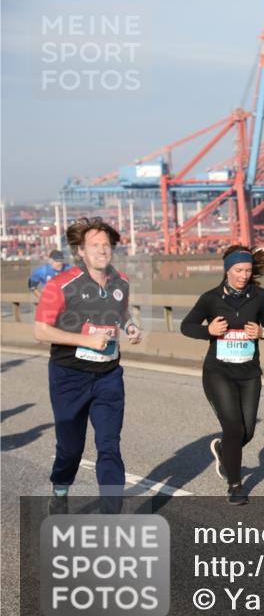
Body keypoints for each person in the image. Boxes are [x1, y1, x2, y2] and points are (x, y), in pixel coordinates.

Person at [33, 218, 142, 513]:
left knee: (109, 446)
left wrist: (130, 325)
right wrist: (84, 340)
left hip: (108, 375)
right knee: (70, 448)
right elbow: (41, 331)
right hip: (69, 376)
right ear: (80, 250)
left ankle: (110, 517)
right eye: (95, 245)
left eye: (107, 245)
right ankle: (60, 488)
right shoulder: (60, 284)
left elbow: (121, 311)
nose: (102, 250)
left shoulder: (121, 281)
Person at [180, 245, 264, 505]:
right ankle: (235, 485)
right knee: (233, 428)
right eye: (238, 270)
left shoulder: (259, 296)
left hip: (249, 373)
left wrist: (262, 333)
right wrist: (209, 330)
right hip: (218, 372)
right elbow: (187, 326)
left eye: (247, 270)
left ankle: (224, 450)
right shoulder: (210, 298)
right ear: (227, 270)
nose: (244, 275)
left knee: (247, 432)